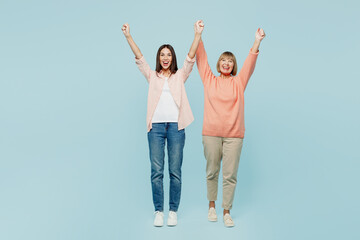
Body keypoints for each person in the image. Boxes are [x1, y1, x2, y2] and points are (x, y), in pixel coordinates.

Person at [121, 20, 204, 227]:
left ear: (172, 58)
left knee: (175, 171)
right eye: (162, 55)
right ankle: (159, 210)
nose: (165, 58)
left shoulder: (180, 75)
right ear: (158, 58)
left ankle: (173, 210)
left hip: (176, 127)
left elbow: (191, 57)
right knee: (156, 171)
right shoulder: (152, 75)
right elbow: (139, 57)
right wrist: (128, 36)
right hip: (156, 128)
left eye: (168, 54)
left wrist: (197, 34)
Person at [196, 27, 266, 227]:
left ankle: (226, 211)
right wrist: (198, 36)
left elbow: (250, 64)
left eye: (230, 61)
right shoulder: (209, 80)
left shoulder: (239, 82)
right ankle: (211, 207)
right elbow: (201, 60)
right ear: (218, 64)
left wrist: (257, 41)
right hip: (211, 134)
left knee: (230, 175)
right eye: (223, 60)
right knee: (211, 172)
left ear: (233, 65)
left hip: (234, 136)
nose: (226, 63)